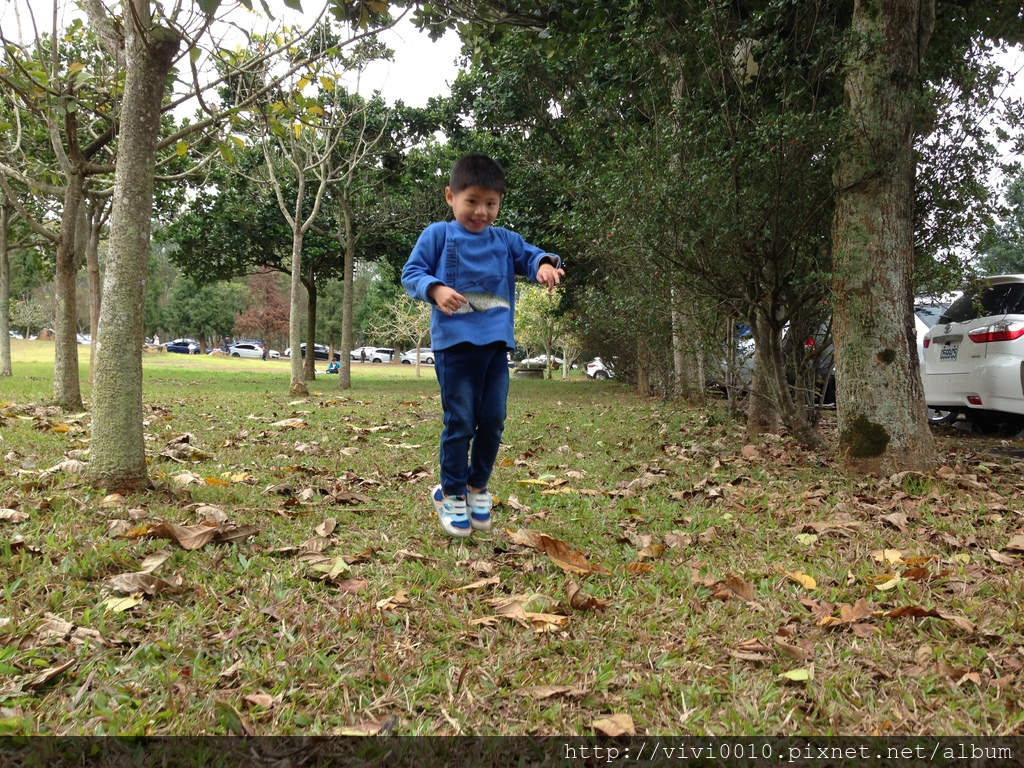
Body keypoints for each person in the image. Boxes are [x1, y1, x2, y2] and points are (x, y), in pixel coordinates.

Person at [402, 153, 564, 537]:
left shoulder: (504, 240)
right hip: (454, 348)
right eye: (471, 201)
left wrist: (543, 265)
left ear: (499, 203)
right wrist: (435, 288)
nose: (481, 212)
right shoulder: (438, 235)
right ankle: (450, 492)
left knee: (492, 421)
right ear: (450, 196)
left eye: (490, 203)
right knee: (460, 421)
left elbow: (532, 256)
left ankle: (477, 487)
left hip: (495, 348)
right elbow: (412, 273)